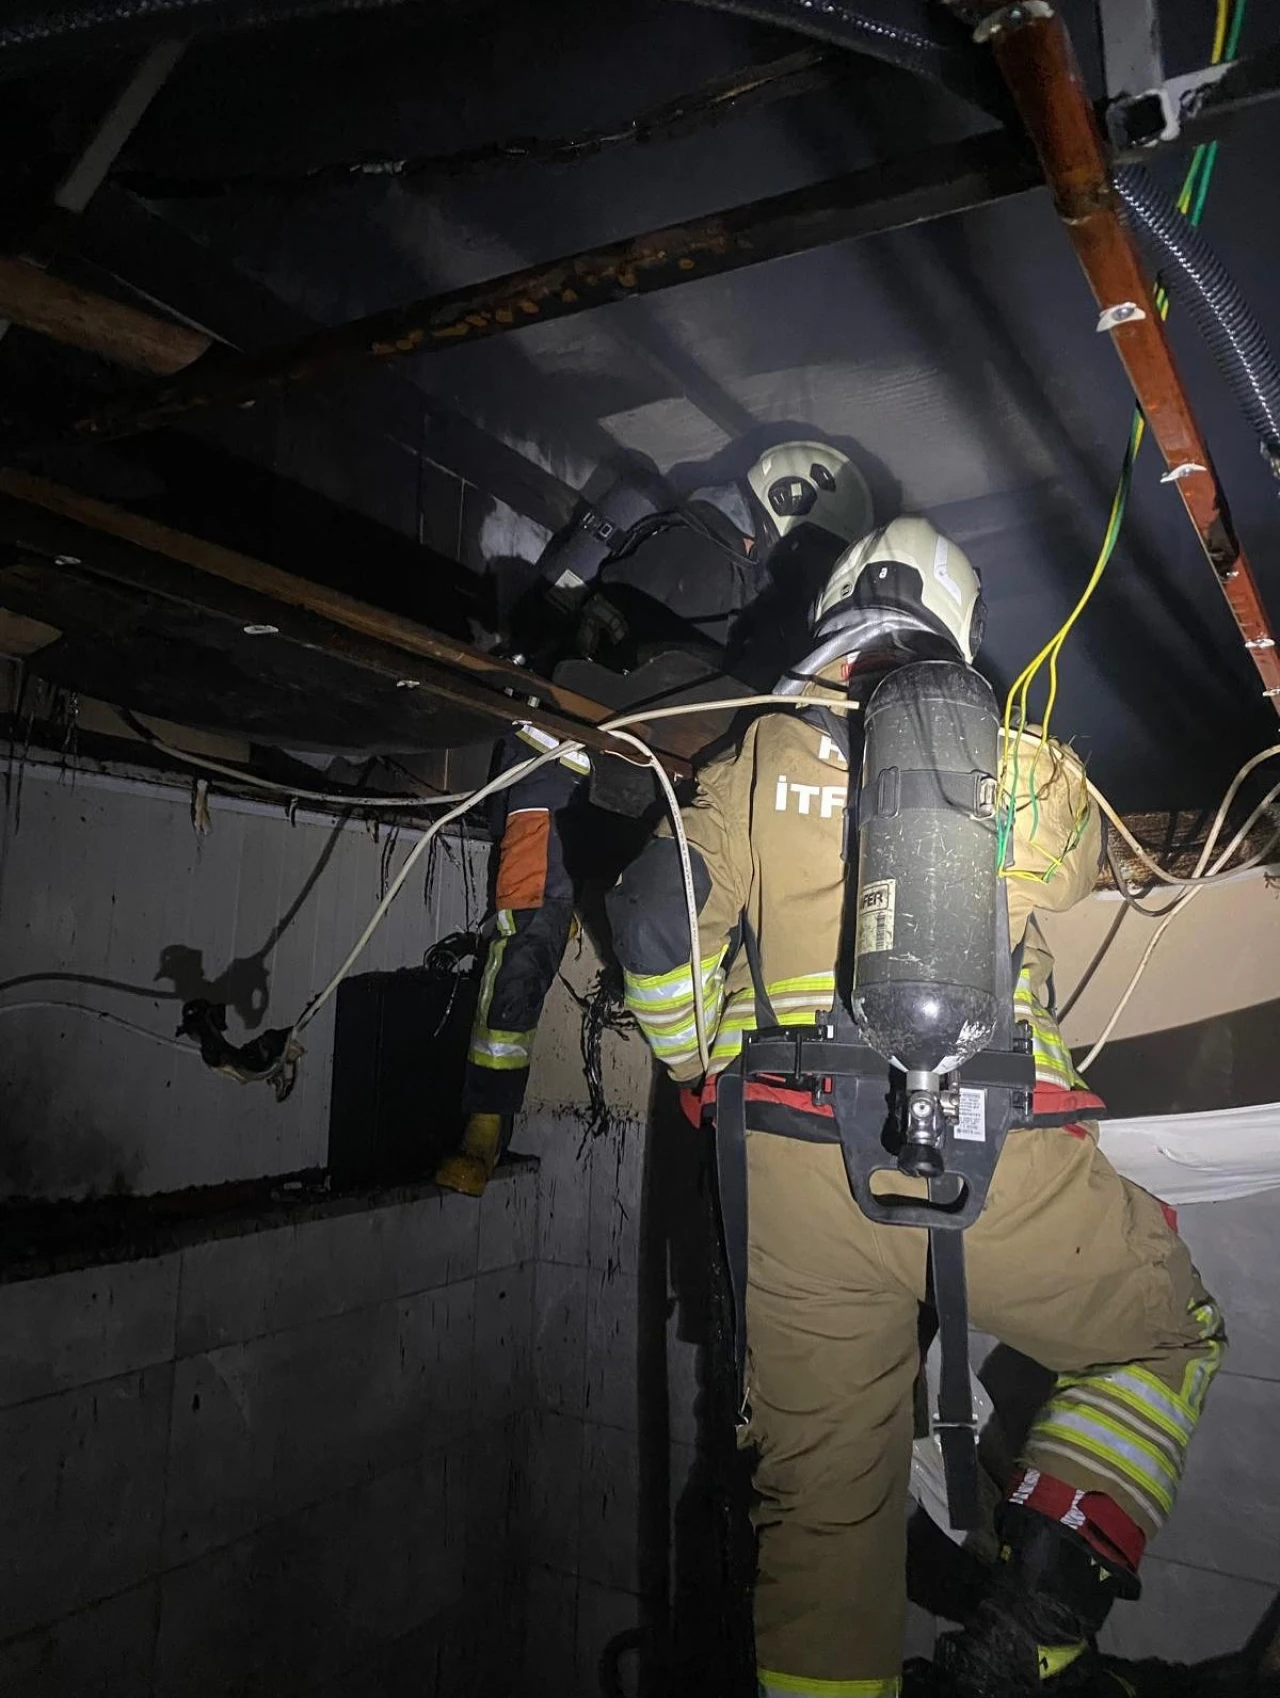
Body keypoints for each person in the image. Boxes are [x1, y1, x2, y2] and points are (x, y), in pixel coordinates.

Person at [606, 516, 1226, 1696]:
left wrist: (693, 1069)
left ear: (833, 614)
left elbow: (647, 921)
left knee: (821, 1513)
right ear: (955, 627)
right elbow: (1078, 862)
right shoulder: (1008, 756)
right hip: (988, 1160)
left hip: (790, 1187)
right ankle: (1032, 1622)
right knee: (1164, 1338)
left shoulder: (754, 754)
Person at [433, 441, 872, 1196]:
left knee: (580, 923)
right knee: (529, 927)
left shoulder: (721, 564)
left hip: (621, 780)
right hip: (552, 758)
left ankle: (488, 1119)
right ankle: (485, 1119)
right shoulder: (705, 563)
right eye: (812, 548)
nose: (805, 569)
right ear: (787, 515)